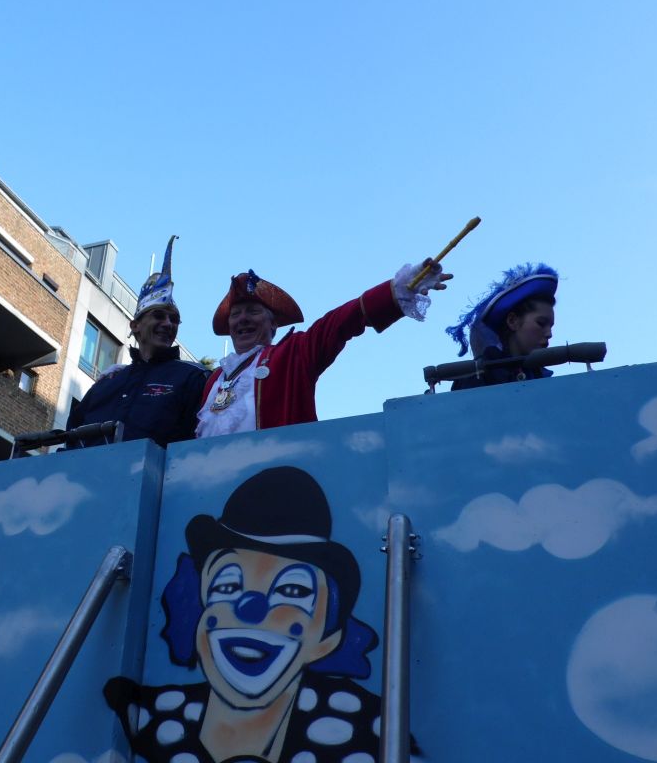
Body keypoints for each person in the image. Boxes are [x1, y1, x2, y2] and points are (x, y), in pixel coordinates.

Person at [105, 466, 412, 762]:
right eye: (227, 585)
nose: (250, 610)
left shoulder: (371, 736)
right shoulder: (144, 720)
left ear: (327, 639)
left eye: (292, 591)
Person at [195, 258, 451, 437]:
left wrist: (395, 291)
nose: (242, 319)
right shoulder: (213, 379)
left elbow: (338, 323)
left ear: (273, 324)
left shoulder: (292, 354)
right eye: (236, 315)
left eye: (253, 312)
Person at [64, 236, 208, 447]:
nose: (168, 324)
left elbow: (200, 441)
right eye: (158, 316)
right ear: (135, 326)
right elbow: (72, 438)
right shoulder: (106, 383)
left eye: (174, 319)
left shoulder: (193, 377)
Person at [445, 262, 558, 389]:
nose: (549, 334)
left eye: (551, 326)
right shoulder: (475, 379)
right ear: (512, 321)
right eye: (541, 323)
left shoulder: (547, 382)